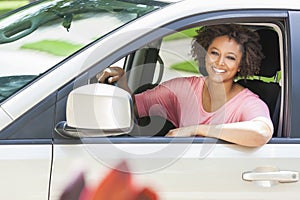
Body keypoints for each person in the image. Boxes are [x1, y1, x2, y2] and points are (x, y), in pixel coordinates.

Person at [97, 24, 273, 147]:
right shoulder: (183, 89)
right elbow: (133, 108)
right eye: (214, 53)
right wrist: (122, 81)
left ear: (241, 65)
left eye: (230, 57)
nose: (219, 63)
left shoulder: (247, 102)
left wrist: (195, 130)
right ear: (204, 54)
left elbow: (262, 132)